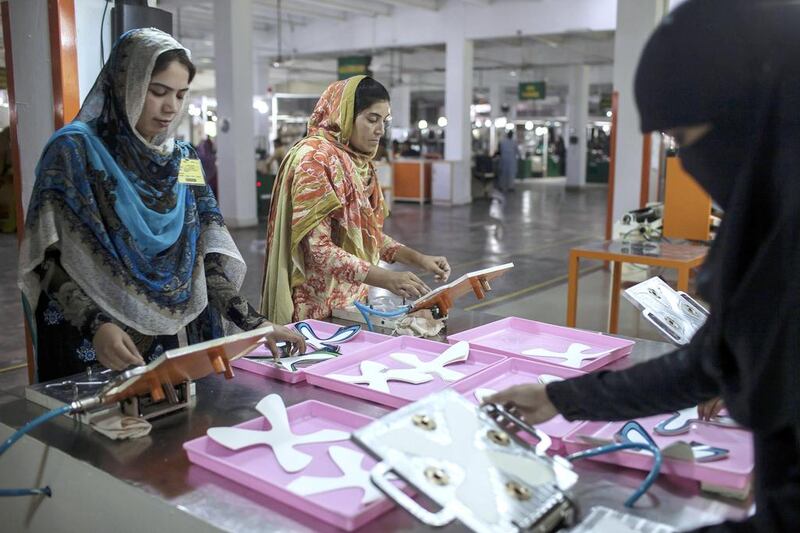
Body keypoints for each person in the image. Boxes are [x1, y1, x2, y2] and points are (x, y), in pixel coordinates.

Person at [488, 1, 800, 531]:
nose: (684, 162)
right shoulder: (771, 226)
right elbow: (709, 364)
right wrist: (559, 398)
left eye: (682, 140)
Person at [18, 29, 304, 382]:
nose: (171, 107)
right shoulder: (73, 152)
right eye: (158, 92)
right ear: (126, 84)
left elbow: (204, 258)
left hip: (155, 328)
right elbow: (45, 256)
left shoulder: (183, 159)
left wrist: (255, 324)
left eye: (181, 95)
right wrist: (96, 325)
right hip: (86, 335)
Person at [261, 76, 451, 324]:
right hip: (314, 311)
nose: (380, 130)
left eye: (385, 121)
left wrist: (419, 260)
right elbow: (317, 250)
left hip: (352, 303)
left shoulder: (357, 161)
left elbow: (365, 235)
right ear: (343, 115)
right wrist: (387, 279)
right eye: (372, 119)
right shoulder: (315, 159)